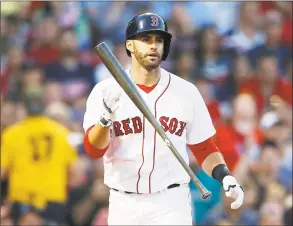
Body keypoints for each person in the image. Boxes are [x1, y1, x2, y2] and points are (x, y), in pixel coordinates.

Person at [83, 12, 244, 225]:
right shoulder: (105, 91)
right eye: (146, 39)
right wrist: (105, 119)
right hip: (124, 202)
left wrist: (226, 176)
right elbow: (93, 150)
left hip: (171, 202)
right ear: (130, 45)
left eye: (159, 40)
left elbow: (204, 148)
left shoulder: (186, 92)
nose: (154, 46)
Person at [1, 88, 79, 225]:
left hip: (22, 202)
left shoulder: (11, 134)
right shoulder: (61, 132)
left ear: (23, 107)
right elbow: (75, 174)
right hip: (53, 202)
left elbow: (2, 172)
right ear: (44, 105)